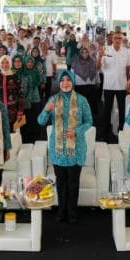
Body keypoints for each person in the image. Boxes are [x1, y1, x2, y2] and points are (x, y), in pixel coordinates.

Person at [38, 70, 92, 223]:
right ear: (59, 83)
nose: (65, 83)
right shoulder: (53, 99)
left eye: (68, 80)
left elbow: (89, 122)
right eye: (62, 80)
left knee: (73, 182)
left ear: (73, 82)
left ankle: (72, 212)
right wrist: (47, 109)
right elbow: (40, 121)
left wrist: (76, 131)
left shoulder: (82, 100)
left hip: (77, 149)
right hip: (58, 149)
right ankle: (61, 211)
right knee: (61, 182)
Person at [98, 31, 130, 143]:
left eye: (119, 38)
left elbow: (128, 69)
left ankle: (121, 134)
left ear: (122, 40)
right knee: (106, 111)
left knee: (122, 111)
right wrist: (100, 56)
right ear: (112, 39)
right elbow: (98, 68)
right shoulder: (106, 50)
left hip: (122, 86)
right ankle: (105, 135)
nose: (117, 40)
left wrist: (128, 85)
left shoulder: (127, 52)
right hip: (108, 85)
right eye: (115, 38)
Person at [0, 55, 24, 131]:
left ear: (10, 64)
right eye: (2, 63)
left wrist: (20, 112)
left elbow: (21, 95)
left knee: (13, 135)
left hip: (13, 112)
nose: (4, 65)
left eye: (7, 62)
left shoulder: (16, 77)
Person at [72, 47, 100, 124]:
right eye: (82, 52)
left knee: (90, 103)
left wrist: (97, 81)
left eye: (86, 52)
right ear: (80, 53)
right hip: (79, 85)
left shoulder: (92, 61)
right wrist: (72, 84)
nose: (84, 54)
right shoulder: (76, 62)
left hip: (90, 85)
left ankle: (89, 120)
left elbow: (96, 72)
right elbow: (72, 73)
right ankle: (80, 120)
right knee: (80, 104)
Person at [20, 56, 43, 144]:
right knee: (27, 119)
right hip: (26, 99)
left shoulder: (36, 72)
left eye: (31, 62)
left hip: (35, 98)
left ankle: (35, 136)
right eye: (28, 62)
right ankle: (27, 138)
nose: (29, 64)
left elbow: (40, 81)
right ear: (25, 63)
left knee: (34, 118)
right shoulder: (23, 73)